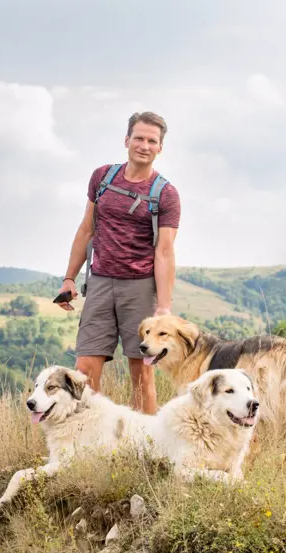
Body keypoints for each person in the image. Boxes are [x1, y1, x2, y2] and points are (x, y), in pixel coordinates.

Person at [56, 111, 181, 414]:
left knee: (141, 372)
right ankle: (89, 442)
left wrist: (163, 308)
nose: (144, 145)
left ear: (160, 148)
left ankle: (145, 445)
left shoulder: (166, 194)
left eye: (152, 141)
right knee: (85, 366)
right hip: (99, 282)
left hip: (139, 288)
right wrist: (70, 278)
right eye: (139, 138)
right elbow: (87, 229)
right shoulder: (103, 178)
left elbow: (164, 252)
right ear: (127, 140)